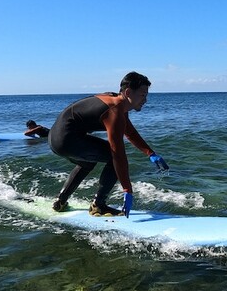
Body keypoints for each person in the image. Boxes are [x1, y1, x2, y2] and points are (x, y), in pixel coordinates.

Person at [48, 71, 168, 216]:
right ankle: (98, 205)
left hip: (55, 137)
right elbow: (117, 153)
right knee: (112, 158)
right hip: (67, 139)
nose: (145, 100)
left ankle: (60, 201)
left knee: (87, 162)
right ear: (128, 92)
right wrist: (127, 189)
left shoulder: (116, 101)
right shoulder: (115, 111)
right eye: (142, 95)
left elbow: (129, 132)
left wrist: (150, 153)